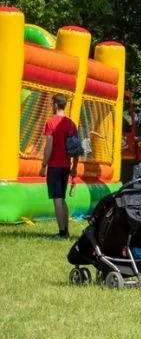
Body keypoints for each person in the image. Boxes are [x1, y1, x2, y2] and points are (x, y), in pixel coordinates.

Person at [40, 94, 79, 238]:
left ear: (56, 104)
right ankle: (66, 231)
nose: (51, 106)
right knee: (62, 199)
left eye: (52, 104)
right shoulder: (71, 124)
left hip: (55, 166)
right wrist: (74, 167)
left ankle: (62, 232)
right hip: (66, 166)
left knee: (57, 199)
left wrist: (44, 164)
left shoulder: (51, 123)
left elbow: (49, 145)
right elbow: (76, 148)